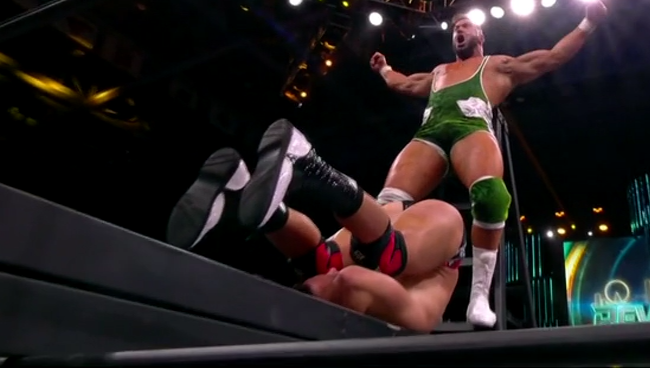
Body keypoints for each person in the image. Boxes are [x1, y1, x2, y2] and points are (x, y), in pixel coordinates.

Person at [369, 1, 608, 327]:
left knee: (491, 195)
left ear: (480, 34)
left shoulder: (498, 65)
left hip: (470, 131)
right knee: (387, 204)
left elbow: (553, 57)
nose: (458, 30)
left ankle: (479, 296)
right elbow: (405, 83)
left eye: (465, 26)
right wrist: (384, 69)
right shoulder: (440, 72)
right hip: (429, 136)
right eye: (455, 28)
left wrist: (588, 23)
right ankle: (375, 280)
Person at [166, 119, 466, 332]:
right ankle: (311, 166)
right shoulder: (407, 315)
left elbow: (336, 277)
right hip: (434, 234)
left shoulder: (341, 281)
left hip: (377, 224)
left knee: (322, 261)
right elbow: (349, 282)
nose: (330, 276)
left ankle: (240, 194)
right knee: (385, 257)